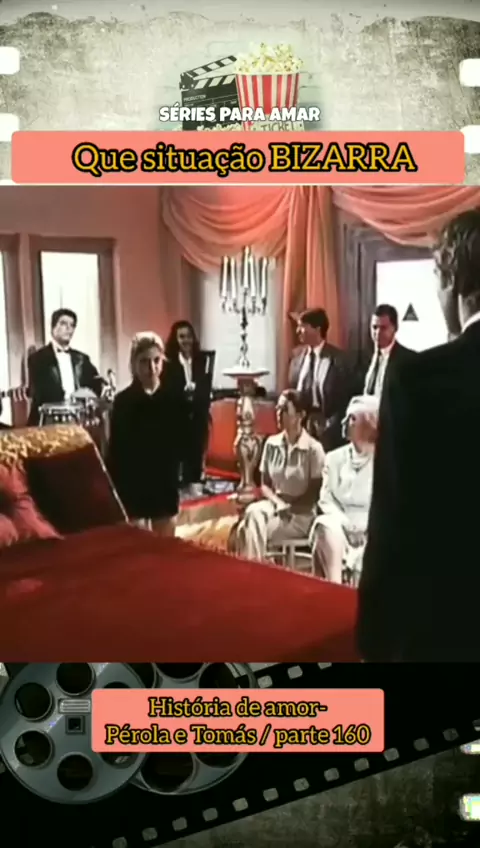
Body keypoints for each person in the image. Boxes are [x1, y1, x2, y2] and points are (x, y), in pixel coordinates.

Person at [357, 208, 480, 663]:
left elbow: (392, 524)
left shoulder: (418, 380)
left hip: (447, 628)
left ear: (453, 283)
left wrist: (374, 640)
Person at [106, 332, 184, 537]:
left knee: (166, 545)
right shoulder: (123, 401)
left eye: (156, 361)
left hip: (164, 481)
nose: (152, 368)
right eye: (144, 362)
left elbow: (181, 441)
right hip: (134, 483)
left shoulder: (173, 398)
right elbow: (117, 449)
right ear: (134, 364)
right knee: (138, 544)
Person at [235, 389, 325, 562]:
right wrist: (278, 503)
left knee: (245, 530)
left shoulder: (314, 449)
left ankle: (252, 569)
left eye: (284, 409)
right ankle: (255, 567)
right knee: (253, 512)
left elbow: (315, 493)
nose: (278, 413)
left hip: (300, 515)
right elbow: (265, 485)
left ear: (300, 415)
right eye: (277, 408)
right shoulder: (271, 443)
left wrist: (289, 507)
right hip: (275, 506)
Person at [309, 395, 379, 584]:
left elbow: (386, 503)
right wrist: (345, 523)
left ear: (368, 424)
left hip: (371, 527)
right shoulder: (334, 458)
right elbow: (326, 499)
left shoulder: (383, 462)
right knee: (324, 525)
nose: (343, 422)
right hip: (339, 523)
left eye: (352, 419)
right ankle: (335, 587)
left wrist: (366, 527)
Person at [287, 308, 351, 451]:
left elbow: (345, 400)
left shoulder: (339, 360)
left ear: (317, 329)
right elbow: (291, 390)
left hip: (329, 432)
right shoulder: (296, 356)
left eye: (302, 326)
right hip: (301, 429)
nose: (297, 331)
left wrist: (330, 427)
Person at [27, 308, 104, 425]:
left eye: (72, 325)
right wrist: (68, 398)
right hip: (49, 420)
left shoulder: (82, 359)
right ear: (53, 328)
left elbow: (96, 383)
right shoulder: (37, 358)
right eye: (63, 324)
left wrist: (87, 394)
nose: (69, 328)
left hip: (78, 419)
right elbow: (39, 392)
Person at [163, 320, 214, 497]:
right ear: (175, 339)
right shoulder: (168, 363)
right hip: (177, 416)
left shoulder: (201, 361)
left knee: (196, 455)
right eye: (182, 337)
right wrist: (183, 391)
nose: (186, 340)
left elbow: (206, 386)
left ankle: (194, 489)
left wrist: (197, 391)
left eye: (189, 336)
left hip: (197, 414)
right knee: (178, 458)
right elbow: (167, 390)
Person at [363, 304, 416, 398]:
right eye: (374, 327)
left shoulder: (408, 360)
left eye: (383, 328)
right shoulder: (363, 358)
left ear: (395, 328)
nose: (378, 333)